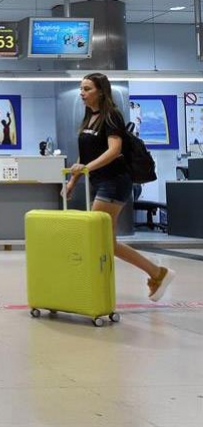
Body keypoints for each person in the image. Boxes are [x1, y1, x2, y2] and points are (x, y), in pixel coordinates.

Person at [65, 73, 175, 302]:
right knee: (105, 241)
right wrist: (73, 180)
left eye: (87, 89)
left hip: (114, 181)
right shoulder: (89, 118)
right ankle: (156, 273)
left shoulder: (112, 116)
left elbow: (114, 151)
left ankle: (93, 285)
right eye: (81, 89)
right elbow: (85, 154)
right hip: (99, 181)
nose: (82, 93)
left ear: (101, 91)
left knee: (96, 236)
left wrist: (85, 170)